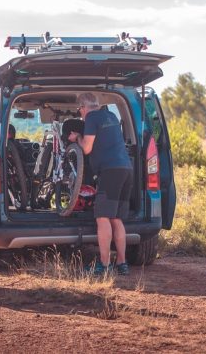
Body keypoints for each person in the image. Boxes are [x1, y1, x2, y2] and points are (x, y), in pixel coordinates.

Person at [72, 93, 133, 275]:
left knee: (103, 217)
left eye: (79, 110)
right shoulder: (111, 115)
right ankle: (122, 263)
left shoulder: (91, 117)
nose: (81, 114)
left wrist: (76, 138)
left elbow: (87, 148)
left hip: (110, 171)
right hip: (126, 169)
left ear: (83, 107)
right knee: (116, 219)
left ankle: (104, 265)